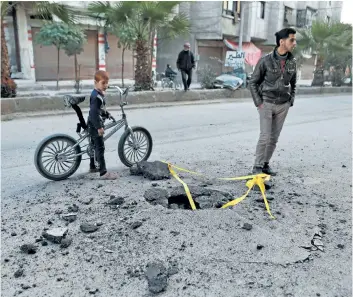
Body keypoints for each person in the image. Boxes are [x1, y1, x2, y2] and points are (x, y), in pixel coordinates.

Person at [249, 28, 297, 175]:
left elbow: (294, 83)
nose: (294, 43)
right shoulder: (265, 60)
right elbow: (253, 82)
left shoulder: (292, 61)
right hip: (267, 103)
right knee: (265, 136)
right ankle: (256, 167)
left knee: (274, 138)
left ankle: (265, 164)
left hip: (283, 104)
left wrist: (291, 100)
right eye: (292, 40)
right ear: (282, 42)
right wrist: (259, 103)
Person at [88, 70, 117, 179]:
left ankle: (92, 166)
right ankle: (103, 173)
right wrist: (99, 127)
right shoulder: (97, 97)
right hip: (95, 124)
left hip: (91, 123)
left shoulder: (97, 93)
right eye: (103, 83)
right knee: (100, 147)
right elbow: (94, 113)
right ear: (96, 82)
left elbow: (99, 110)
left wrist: (106, 113)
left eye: (106, 83)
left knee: (93, 146)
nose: (106, 85)